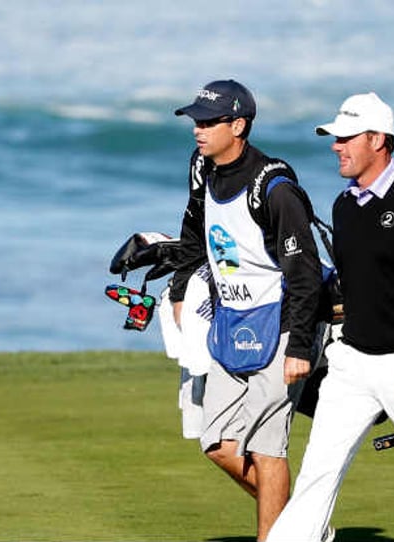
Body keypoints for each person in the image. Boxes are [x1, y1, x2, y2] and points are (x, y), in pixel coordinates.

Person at [269, 92, 394, 541]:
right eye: (334, 138)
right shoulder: (345, 206)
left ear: (378, 139)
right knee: (316, 477)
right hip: (351, 363)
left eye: (346, 137)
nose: (335, 146)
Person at [168, 79, 323, 541]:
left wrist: (299, 345)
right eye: (195, 120)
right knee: (217, 443)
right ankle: (303, 525)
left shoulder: (274, 188)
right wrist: (180, 287)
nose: (198, 129)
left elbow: (304, 274)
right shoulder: (202, 166)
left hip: (279, 326)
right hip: (229, 322)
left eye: (208, 121)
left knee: (267, 449)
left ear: (238, 125)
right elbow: (194, 226)